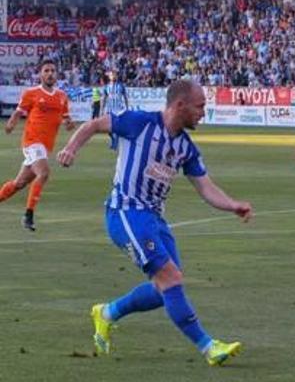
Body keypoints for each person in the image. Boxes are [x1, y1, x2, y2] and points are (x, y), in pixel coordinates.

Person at [56, 79, 253, 366]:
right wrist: (71, 148)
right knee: (170, 279)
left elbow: (206, 187)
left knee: (167, 289)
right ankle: (209, 347)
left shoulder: (185, 147)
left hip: (154, 219)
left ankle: (107, 313)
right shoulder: (139, 122)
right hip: (125, 212)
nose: (203, 113)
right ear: (180, 105)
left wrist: (233, 204)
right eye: (200, 106)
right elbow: (93, 125)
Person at [1, 59, 75, 231]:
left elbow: (66, 118)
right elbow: (19, 111)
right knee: (44, 173)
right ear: (40, 74)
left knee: (19, 184)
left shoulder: (62, 96)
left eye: (53, 71)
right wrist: (11, 123)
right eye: (46, 70)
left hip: (45, 146)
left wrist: (69, 124)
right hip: (32, 141)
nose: (50, 73)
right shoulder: (31, 93)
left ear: (57, 74)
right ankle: (28, 215)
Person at [102, 70, 129, 151]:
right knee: (107, 128)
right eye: (111, 75)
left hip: (119, 109)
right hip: (110, 109)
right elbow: (104, 98)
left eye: (114, 75)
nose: (113, 76)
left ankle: (115, 143)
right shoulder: (106, 87)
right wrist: (102, 109)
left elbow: (125, 97)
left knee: (116, 127)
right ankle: (113, 139)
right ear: (109, 77)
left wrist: (127, 107)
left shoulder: (121, 86)